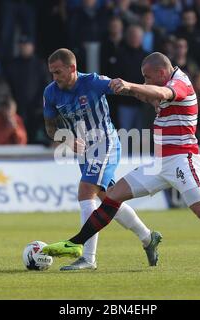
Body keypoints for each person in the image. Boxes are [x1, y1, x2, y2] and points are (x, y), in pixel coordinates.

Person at [43, 52, 200, 270]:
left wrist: (131, 86)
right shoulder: (165, 83)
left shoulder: (181, 83)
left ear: (162, 72)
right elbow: (150, 94)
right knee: (112, 196)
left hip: (182, 160)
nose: (145, 80)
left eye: (147, 76)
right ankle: (76, 243)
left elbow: (161, 94)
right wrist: (133, 90)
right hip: (161, 162)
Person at [43, 48, 161, 271]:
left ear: (72, 68)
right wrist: (65, 138)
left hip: (105, 143)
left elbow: (124, 89)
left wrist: (150, 98)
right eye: (52, 73)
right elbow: (50, 127)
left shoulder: (93, 82)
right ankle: (148, 238)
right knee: (110, 200)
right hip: (84, 151)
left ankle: (88, 258)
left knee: (85, 192)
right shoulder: (51, 93)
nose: (54, 78)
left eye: (58, 72)